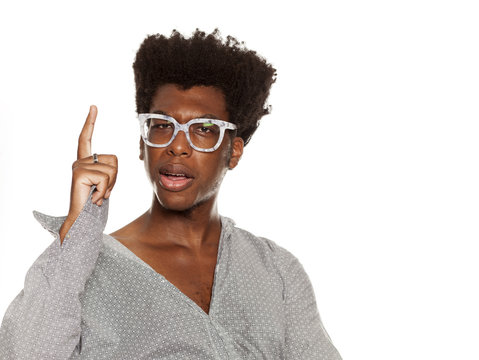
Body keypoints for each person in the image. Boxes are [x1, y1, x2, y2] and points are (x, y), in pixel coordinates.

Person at [0, 29, 342, 359]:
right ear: (142, 144)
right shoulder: (86, 264)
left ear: (233, 152)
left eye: (204, 130)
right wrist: (78, 229)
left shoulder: (276, 271)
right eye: (162, 126)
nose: (178, 145)